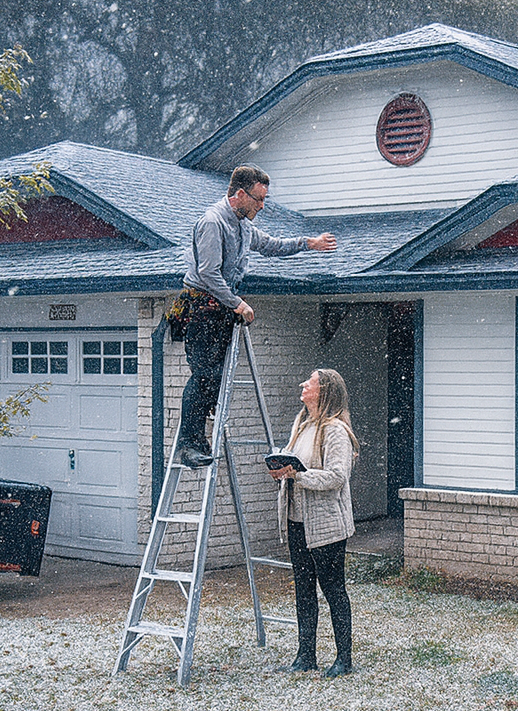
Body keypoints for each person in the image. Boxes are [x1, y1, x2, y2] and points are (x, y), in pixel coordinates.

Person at [171, 165, 335, 469]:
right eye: (258, 199)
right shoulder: (213, 222)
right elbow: (207, 273)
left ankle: (198, 439)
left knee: (216, 378)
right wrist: (237, 303)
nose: (262, 205)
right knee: (205, 374)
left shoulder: (243, 226)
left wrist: (308, 243)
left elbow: (270, 246)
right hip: (202, 309)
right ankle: (188, 445)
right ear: (240, 194)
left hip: (220, 311)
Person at [269, 368, 358, 678]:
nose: (303, 384)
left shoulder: (335, 431)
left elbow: (337, 476)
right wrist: (282, 470)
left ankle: (343, 660)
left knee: (333, 590)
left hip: (327, 526)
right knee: (304, 591)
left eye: (310, 381)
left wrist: (299, 475)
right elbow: (298, 467)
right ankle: (305, 656)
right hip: (297, 521)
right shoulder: (302, 425)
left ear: (324, 391)